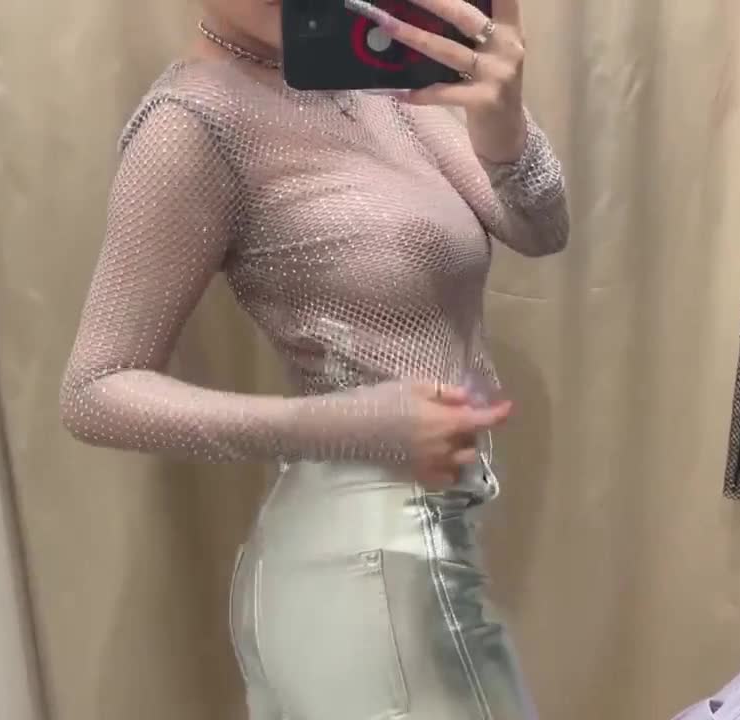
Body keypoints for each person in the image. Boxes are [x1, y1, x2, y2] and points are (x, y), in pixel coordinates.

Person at [59, 0, 568, 717]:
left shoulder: (376, 80)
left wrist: (503, 124)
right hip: (366, 566)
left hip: (401, 558)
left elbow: (540, 229)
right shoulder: (192, 121)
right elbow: (94, 390)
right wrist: (354, 421)